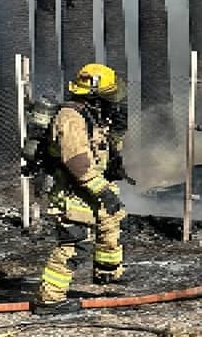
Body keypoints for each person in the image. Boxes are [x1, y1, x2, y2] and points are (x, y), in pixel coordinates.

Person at [31, 63, 130, 315]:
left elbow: (101, 150)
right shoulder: (71, 118)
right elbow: (77, 162)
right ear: (93, 96)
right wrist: (102, 191)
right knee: (75, 243)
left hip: (89, 187)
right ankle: (50, 300)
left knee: (111, 219)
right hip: (73, 191)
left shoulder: (92, 116)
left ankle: (107, 273)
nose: (112, 102)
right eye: (107, 97)